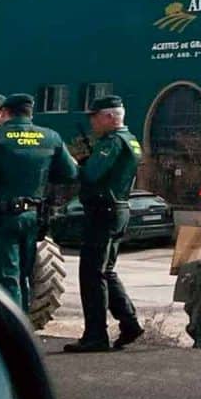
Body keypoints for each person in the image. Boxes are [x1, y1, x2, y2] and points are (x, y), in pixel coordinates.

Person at [64, 96, 145, 353]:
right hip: (118, 209)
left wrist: (74, 163)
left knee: (91, 274)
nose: (92, 121)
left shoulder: (112, 142)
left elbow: (90, 175)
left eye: (95, 116)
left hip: (103, 212)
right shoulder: (131, 139)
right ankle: (129, 322)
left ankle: (95, 335)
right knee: (106, 271)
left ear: (110, 117)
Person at [0, 94, 79, 314]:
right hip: (34, 217)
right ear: (31, 112)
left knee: (6, 278)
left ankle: (9, 337)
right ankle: (21, 327)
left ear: (5, 112)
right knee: (22, 276)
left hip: (2, 217)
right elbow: (69, 174)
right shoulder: (51, 137)